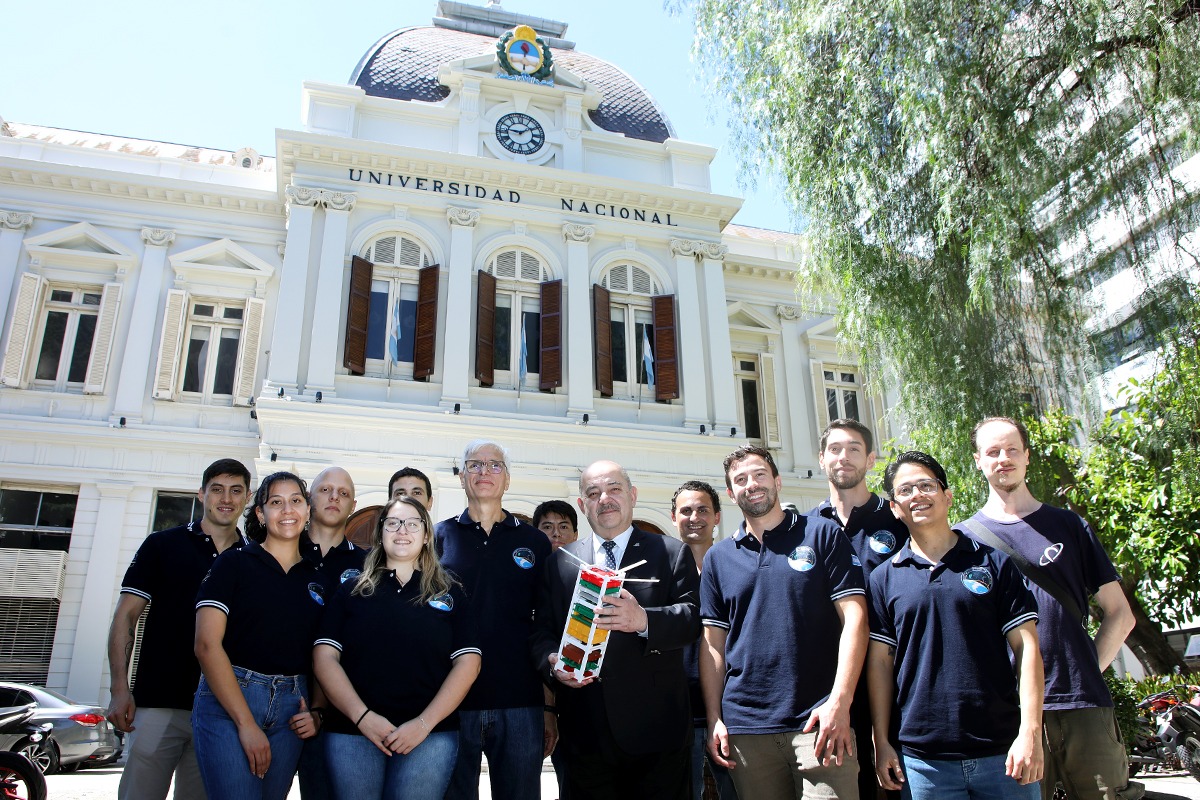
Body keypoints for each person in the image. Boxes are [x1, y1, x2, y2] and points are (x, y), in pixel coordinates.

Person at [966, 417, 1140, 800]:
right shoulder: (964, 540)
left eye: (1012, 449)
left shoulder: (1069, 526)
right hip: (1009, 713)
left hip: (1085, 707)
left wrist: (1086, 669)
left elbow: (1120, 613)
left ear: (1027, 456)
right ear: (978, 460)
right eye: (993, 452)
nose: (1003, 458)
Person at [867, 450, 1043, 799]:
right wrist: (882, 742)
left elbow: (1027, 647)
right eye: (905, 490)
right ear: (894, 508)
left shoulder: (994, 563)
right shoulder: (883, 579)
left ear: (947, 496)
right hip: (923, 763)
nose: (917, 495)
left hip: (1004, 754)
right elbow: (880, 663)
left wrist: (1030, 733)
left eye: (925, 485)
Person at [700, 445, 866, 799]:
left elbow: (856, 618)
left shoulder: (822, 534)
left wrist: (840, 701)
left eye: (760, 474)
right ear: (731, 494)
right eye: (740, 480)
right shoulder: (718, 558)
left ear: (777, 481)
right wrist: (714, 717)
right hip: (746, 730)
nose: (752, 484)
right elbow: (713, 645)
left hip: (819, 723)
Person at [533, 460, 700, 800]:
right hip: (584, 734)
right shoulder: (560, 561)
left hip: (657, 736)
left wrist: (644, 621)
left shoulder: (669, 552)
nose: (604, 499)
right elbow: (540, 631)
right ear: (583, 505)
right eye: (593, 493)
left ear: (632, 495)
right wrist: (553, 661)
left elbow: (693, 618)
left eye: (614, 489)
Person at [313, 496, 482, 800]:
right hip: (353, 732)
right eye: (392, 523)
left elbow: (469, 663)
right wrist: (363, 717)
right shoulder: (351, 590)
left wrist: (423, 724)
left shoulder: (450, 591)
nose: (402, 530)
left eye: (413, 523)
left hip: (429, 737)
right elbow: (325, 657)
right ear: (380, 533)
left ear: (427, 534)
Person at [106, 458, 251, 800]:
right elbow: (126, 617)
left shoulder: (253, 557)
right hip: (159, 702)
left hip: (221, 711)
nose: (226, 498)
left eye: (236, 491)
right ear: (201, 494)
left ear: (247, 498)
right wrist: (118, 688)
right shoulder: (162, 545)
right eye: (217, 489)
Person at [192, 471, 325, 800]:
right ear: (262, 514)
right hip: (231, 701)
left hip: (292, 709)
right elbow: (207, 645)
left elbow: (323, 654)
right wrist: (246, 724)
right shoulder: (233, 564)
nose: (287, 510)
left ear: (308, 510)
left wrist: (318, 711)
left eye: (295, 501)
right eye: (276, 503)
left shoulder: (317, 579)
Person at [436, 440, 552, 800]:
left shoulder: (534, 541)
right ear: (462, 478)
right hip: (451, 703)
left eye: (494, 465)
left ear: (507, 479)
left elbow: (546, 626)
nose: (484, 472)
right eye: (475, 465)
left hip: (520, 702)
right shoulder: (438, 537)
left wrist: (549, 707)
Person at [809, 418, 909, 800]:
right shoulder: (807, 527)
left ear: (870, 459)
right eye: (835, 449)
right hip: (832, 684)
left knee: (901, 783)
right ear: (821, 459)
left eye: (853, 449)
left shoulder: (899, 519)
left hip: (897, 677)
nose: (844, 457)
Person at [297, 466, 367, 799]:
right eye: (325, 490)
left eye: (343, 493)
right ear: (310, 498)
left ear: (353, 505)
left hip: (340, 708)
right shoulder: (282, 549)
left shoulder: (369, 566)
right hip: (279, 693)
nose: (334, 497)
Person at [672, 480, 738, 800]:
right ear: (674, 517)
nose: (694, 516)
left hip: (731, 710)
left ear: (717, 517)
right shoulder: (662, 572)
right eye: (686, 510)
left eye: (702, 509)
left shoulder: (736, 567)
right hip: (678, 712)